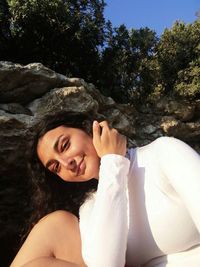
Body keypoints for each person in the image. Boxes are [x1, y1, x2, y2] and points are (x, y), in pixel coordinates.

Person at [11, 111, 200, 267]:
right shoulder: (90, 208)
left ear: (89, 128)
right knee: (52, 228)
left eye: (65, 145)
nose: (66, 163)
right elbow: (107, 265)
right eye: (56, 167)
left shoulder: (161, 153)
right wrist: (113, 163)